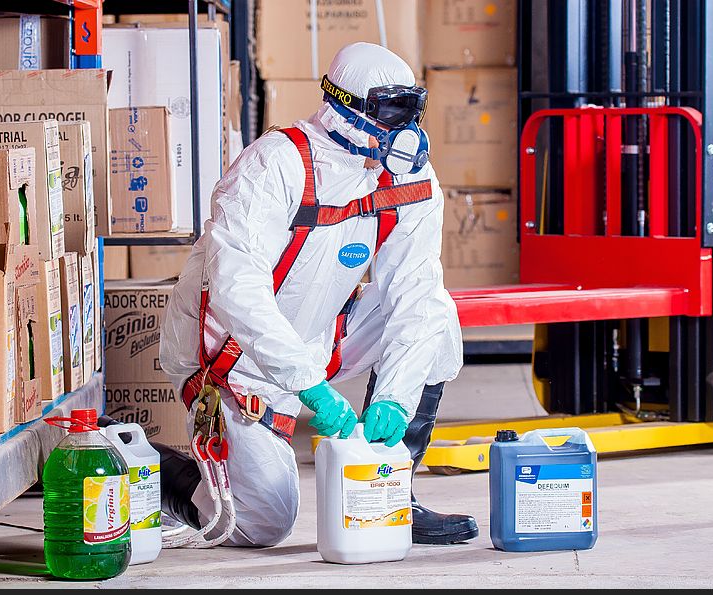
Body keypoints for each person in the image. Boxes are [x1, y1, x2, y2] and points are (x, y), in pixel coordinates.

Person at [157, 42, 475, 547]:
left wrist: (396, 395)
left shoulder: (410, 176)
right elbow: (238, 290)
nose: (407, 132)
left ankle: (394, 493)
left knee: (437, 316)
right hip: (231, 357)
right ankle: (151, 471)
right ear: (344, 108)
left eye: (412, 113)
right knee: (265, 523)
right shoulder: (274, 166)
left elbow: (415, 291)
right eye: (392, 113)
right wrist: (307, 384)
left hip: (320, 331)